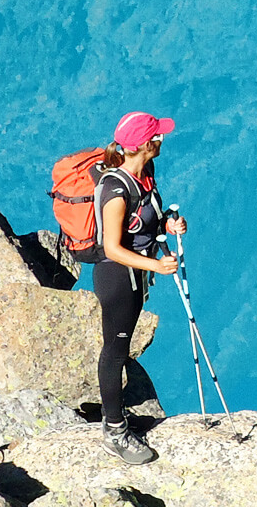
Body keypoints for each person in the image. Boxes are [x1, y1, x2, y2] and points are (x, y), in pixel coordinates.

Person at [78, 111, 186, 464]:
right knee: (115, 350)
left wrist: (170, 223)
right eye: (158, 135)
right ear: (144, 145)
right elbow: (112, 247)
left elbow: (147, 218)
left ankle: (118, 419)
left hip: (136, 278)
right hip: (117, 280)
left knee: (120, 349)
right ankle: (115, 432)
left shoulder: (145, 175)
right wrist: (156, 264)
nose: (163, 139)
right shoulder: (115, 189)